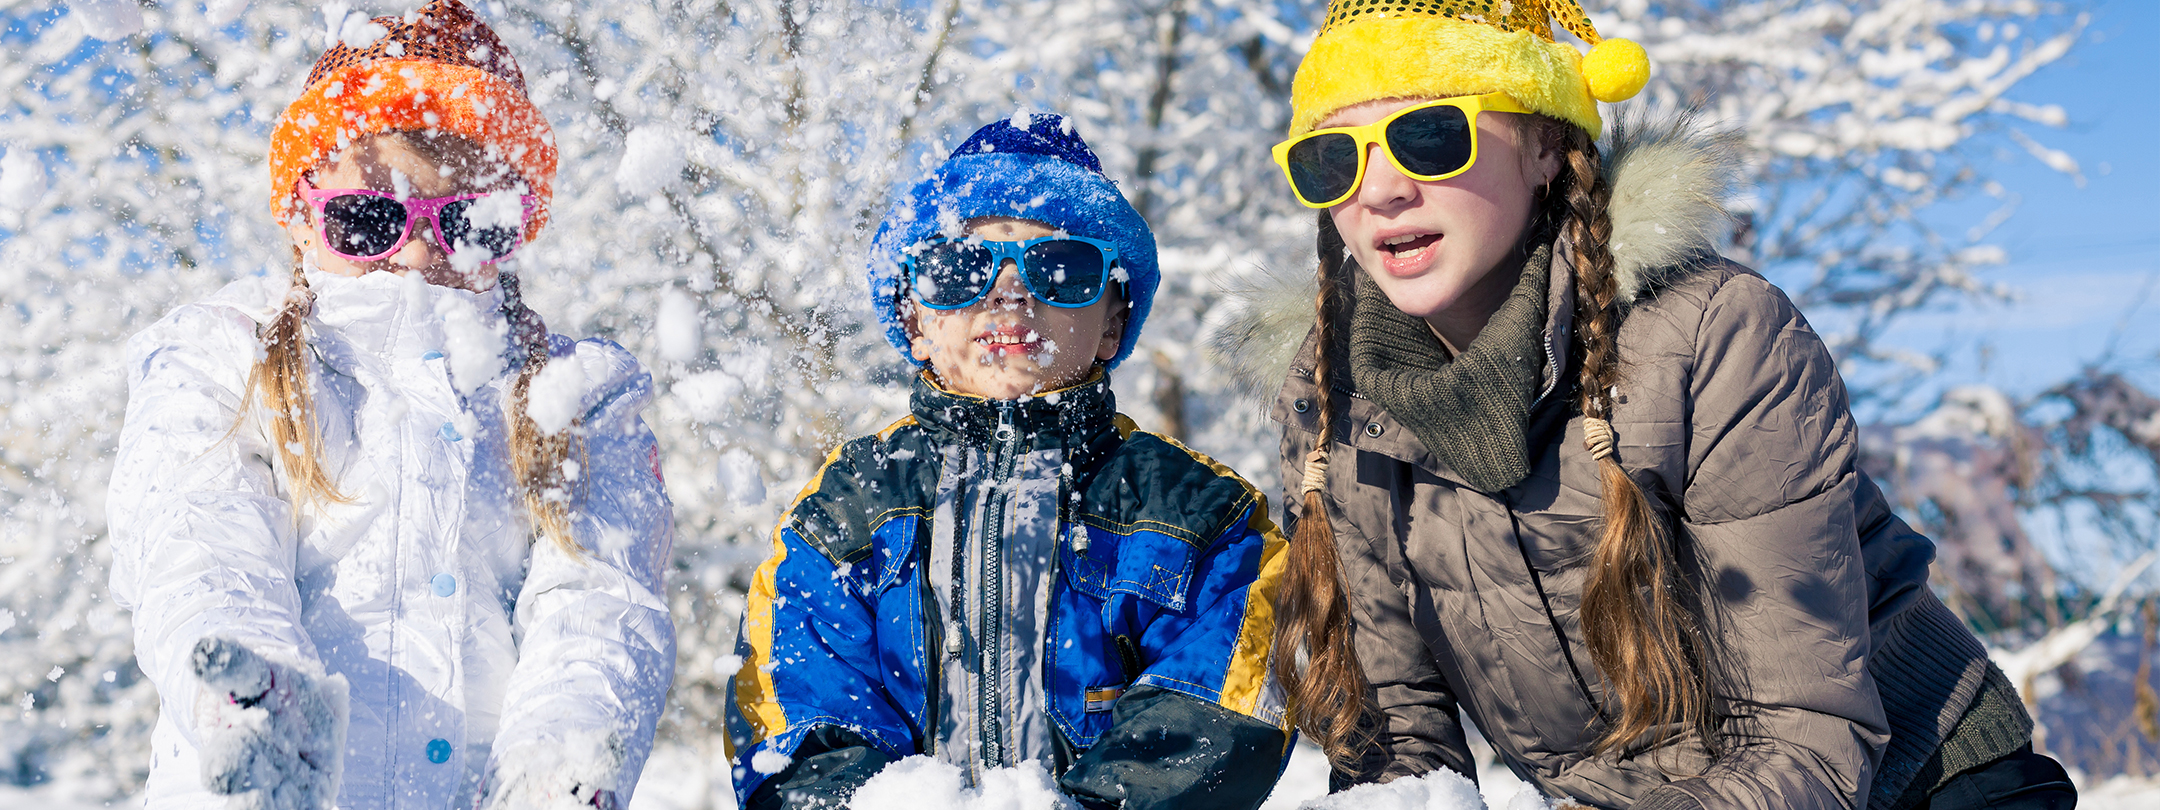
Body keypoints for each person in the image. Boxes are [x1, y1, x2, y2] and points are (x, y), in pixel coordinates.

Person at [1239, 1, 2077, 809]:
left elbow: (1804, 738)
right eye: (1331, 159)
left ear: (1542, 143)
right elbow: (1400, 745)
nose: (1378, 189)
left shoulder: (1710, 336)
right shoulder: (1333, 406)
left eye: (1429, 137)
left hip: (1914, 783)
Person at [106, 2, 675, 809]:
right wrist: (256, 694)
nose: (417, 250)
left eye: (469, 223)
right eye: (369, 217)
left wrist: (556, 757)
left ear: (515, 225)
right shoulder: (222, 359)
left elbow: (599, 600)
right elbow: (197, 541)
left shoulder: (576, 393)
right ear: (303, 220)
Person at [727, 115, 1291, 810]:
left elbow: (1216, 713)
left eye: (1062, 269)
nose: (1009, 294)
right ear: (914, 321)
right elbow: (799, 724)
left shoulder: (1199, 515)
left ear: (1114, 319)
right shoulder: (845, 510)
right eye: (959, 270)